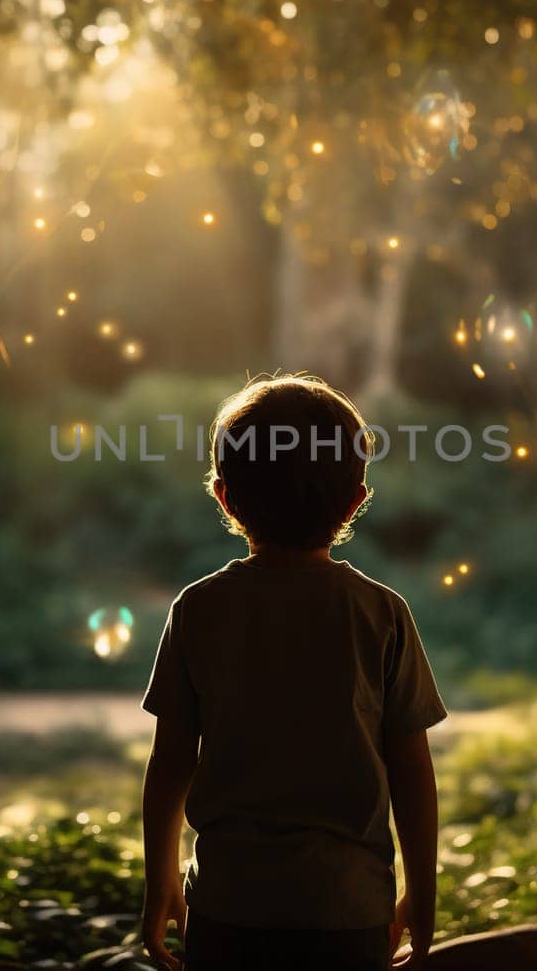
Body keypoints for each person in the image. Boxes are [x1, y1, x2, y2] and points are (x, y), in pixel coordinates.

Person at [139, 374, 446, 971]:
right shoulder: (381, 613)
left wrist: (159, 886)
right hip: (348, 911)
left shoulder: (198, 609)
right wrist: (424, 896)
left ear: (224, 497)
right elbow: (412, 770)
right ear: (356, 501)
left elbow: (170, 762)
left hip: (229, 907)